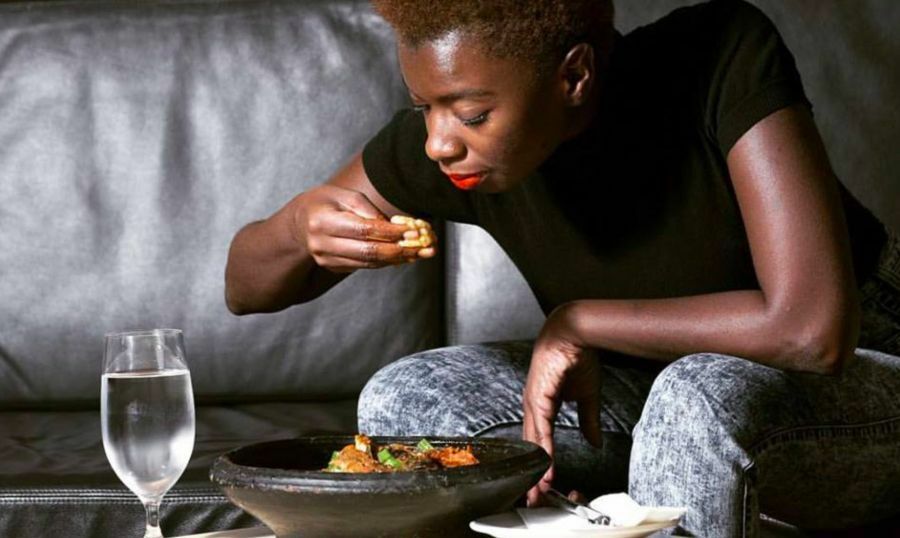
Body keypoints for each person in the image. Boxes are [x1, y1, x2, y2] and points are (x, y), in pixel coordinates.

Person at [224, 0, 900, 535]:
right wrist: (296, 229)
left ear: (572, 76)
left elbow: (812, 328)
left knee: (697, 397)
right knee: (407, 397)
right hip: (649, 403)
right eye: (425, 109)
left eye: (472, 112)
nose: (437, 143)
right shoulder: (455, 151)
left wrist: (579, 321)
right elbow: (243, 288)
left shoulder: (720, 55)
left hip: (860, 387)